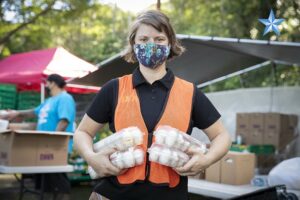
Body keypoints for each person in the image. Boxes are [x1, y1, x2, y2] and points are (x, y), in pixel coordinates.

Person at [74, 10, 231, 200]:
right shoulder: (114, 89)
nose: (151, 45)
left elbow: (222, 136)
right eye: (143, 39)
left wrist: (205, 160)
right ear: (134, 44)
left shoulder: (190, 93)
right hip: (114, 194)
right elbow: (83, 132)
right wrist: (92, 158)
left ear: (170, 43)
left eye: (159, 39)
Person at [1, 73, 76, 195]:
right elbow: (33, 112)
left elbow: (64, 121)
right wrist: (17, 113)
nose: (45, 85)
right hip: (42, 147)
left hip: (55, 147)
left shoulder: (65, 98)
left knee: (57, 182)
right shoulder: (48, 101)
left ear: (52, 83)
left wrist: (53, 139)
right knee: (43, 185)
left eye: (47, 82)